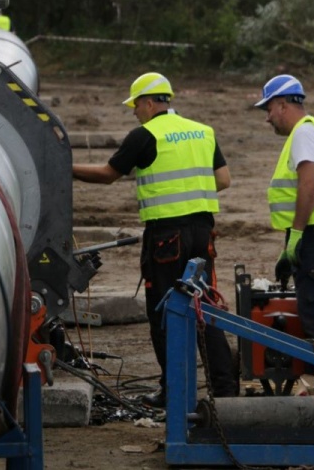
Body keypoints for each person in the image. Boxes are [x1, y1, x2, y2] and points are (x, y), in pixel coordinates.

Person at [73, 72, 238, 407]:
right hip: (203, 234)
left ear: (149, 102)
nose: (134, 111)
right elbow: (223, 179)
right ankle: (225, 391)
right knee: (205, 308)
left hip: (166, 238)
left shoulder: (145, 135)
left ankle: (175, 393)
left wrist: (66, 166)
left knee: (166, 312)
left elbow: (108, 175)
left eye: (135, 105)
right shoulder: (203, 132)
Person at [253, 74, 314, 368]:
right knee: (311, 309)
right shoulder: (308, 132)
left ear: (282, 104)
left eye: (268, 109)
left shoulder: (305, 133)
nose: (268, 118)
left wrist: (296, 235)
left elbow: (309, 185)